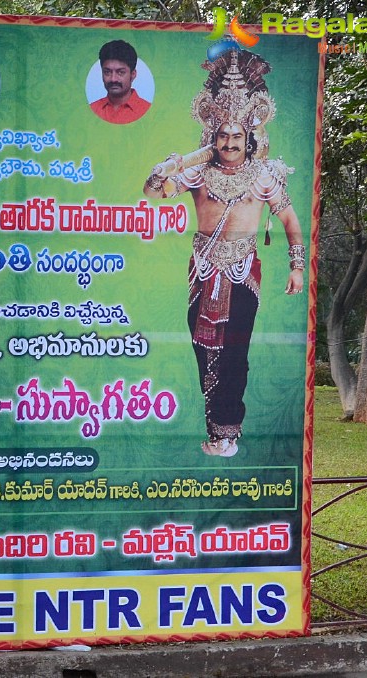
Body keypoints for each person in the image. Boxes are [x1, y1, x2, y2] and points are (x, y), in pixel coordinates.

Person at [142, 48, 305, 458]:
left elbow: (290, 222)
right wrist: (162, 170)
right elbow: (152, 193)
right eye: (222, 136)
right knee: (204, 348)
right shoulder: (197, 172)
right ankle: (215, 428)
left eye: (236, 136)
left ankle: (228, 434)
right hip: (202, 268)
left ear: (249, 138)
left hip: (242, 271)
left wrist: (296, 267)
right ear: (212, 137)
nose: (229, 143)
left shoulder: (264, 175)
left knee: (234, 352)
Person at [89, 40, 151, 124]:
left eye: (120, 72)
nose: (113, 79)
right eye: (107, 72)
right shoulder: (92, 109)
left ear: (133, 74)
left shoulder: (148, 111)